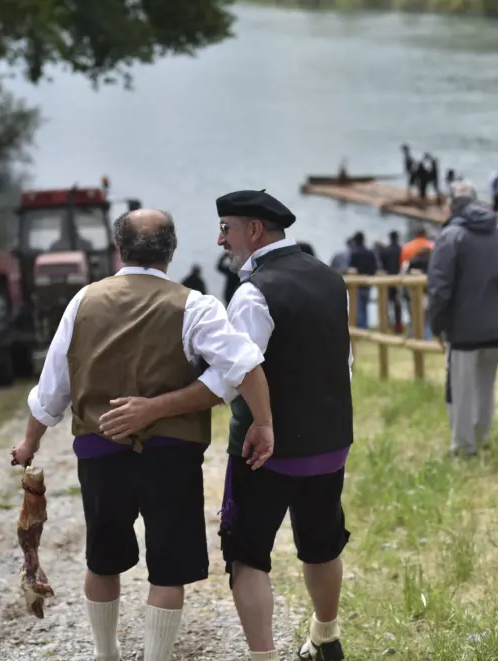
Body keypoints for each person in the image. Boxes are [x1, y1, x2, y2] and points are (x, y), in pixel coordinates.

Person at [10, 208, 275, 661]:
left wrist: (30, 442)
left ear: (118, 249)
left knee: (102, 558)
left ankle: (105, 654)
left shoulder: (83, 301)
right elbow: (245, 364)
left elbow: (52, 387)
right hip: (171, 453)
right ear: (170, 251)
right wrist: (263, 422)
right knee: (168, 569)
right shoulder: (195, 305)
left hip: (100, 449)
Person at [211, 189, 354, 661]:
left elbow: (235, 377)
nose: (220, 239)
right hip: (329, 443)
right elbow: (344, 364)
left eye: (226, 228)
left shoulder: (254, 293)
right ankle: (326, 638)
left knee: (248, 555)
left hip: (263, 450)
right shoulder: (332, 280)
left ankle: (263, 657)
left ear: (254, 231)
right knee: (321, 546)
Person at [427, 181, 498, 457]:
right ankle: (482, 436)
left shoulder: (451, 235)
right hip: (494, 324)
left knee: (461, 389)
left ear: (451, 205)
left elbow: (440, 286)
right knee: (485, 385)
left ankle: (463, 448)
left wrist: (436, 322)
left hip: (462, 326)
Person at [378, 230, 404, 333]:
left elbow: (382, 265)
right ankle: (398, 326)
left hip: (387, 280)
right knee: (398, 305)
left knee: (386, 304)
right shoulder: (401, 250)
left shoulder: (385, 251)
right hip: (399, 280)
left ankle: (386, 324)